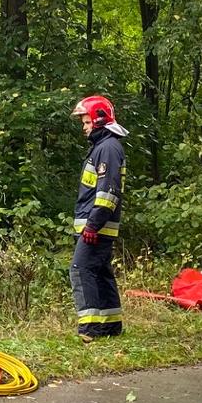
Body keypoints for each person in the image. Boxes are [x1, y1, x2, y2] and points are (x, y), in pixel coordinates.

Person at [69, 95, 127, 341]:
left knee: (80, 269)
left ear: (98, 118)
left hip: (97, 226)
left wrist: (92, 225)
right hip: (98, 225)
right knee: (100, 271)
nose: (84, 127)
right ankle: (110, 325)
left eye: (86, 122)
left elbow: (107, 192)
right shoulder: (104, 147)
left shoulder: (108, 148)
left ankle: (90, 328)